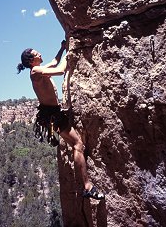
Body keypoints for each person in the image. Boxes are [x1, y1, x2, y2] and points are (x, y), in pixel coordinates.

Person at [17, 41, 104, 200]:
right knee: (78, 144)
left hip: (52, 114)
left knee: (75, 144)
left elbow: (54, 62)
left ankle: (86, 184)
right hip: (52, 115)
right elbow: (61, 69)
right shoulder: (36, 71)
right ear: (31, 61)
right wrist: (70, 53)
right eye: (37, 54)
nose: (40, 54)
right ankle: (87, 186)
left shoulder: (39, 69)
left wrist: (62, 49)